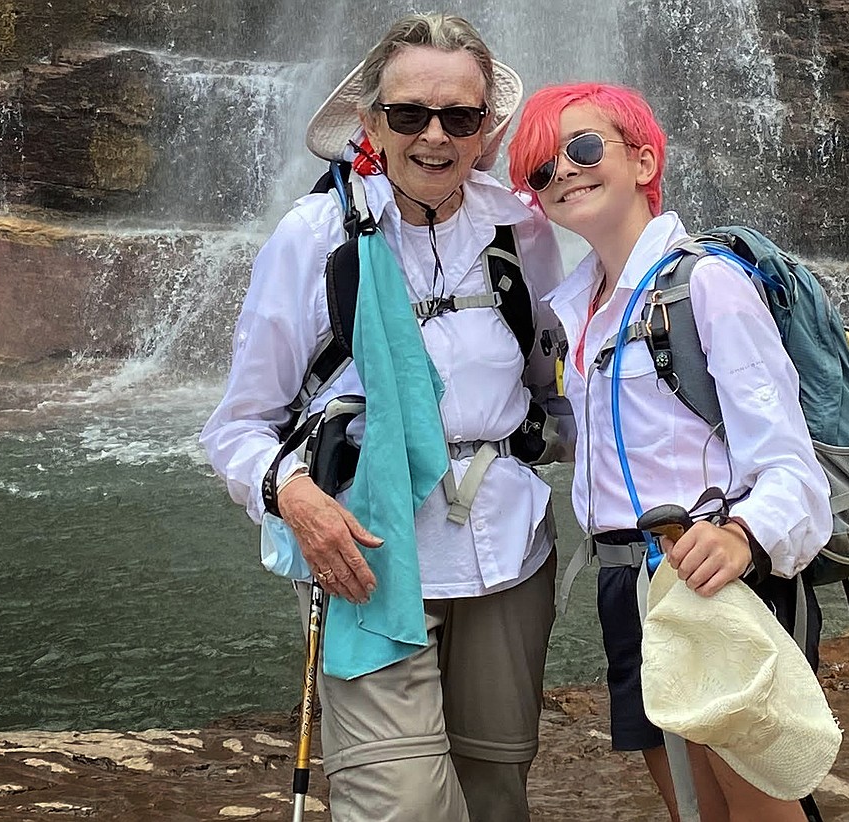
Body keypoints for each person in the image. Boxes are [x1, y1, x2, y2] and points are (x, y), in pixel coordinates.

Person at [201, 13, 567, 822]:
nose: (434, 136)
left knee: (498, 794)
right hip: (366, 557)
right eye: (410, 115)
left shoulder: (522, 231)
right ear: (373, 123)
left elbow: (557, 382)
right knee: (399, 806)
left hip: (508, 553)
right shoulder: (315, 236)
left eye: (459, 118)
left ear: (485, 132)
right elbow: (235, 428)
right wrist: (295, 499)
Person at [507, 84, 834, 822]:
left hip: (714, 576)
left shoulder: (707, 286)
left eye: (584, 148)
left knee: (764, 814)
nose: (563, 171)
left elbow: (790, 466)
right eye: (539, 169)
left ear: (644, 159)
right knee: (697, 814)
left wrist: (744, 539)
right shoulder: (578, 308)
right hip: (629, 588)